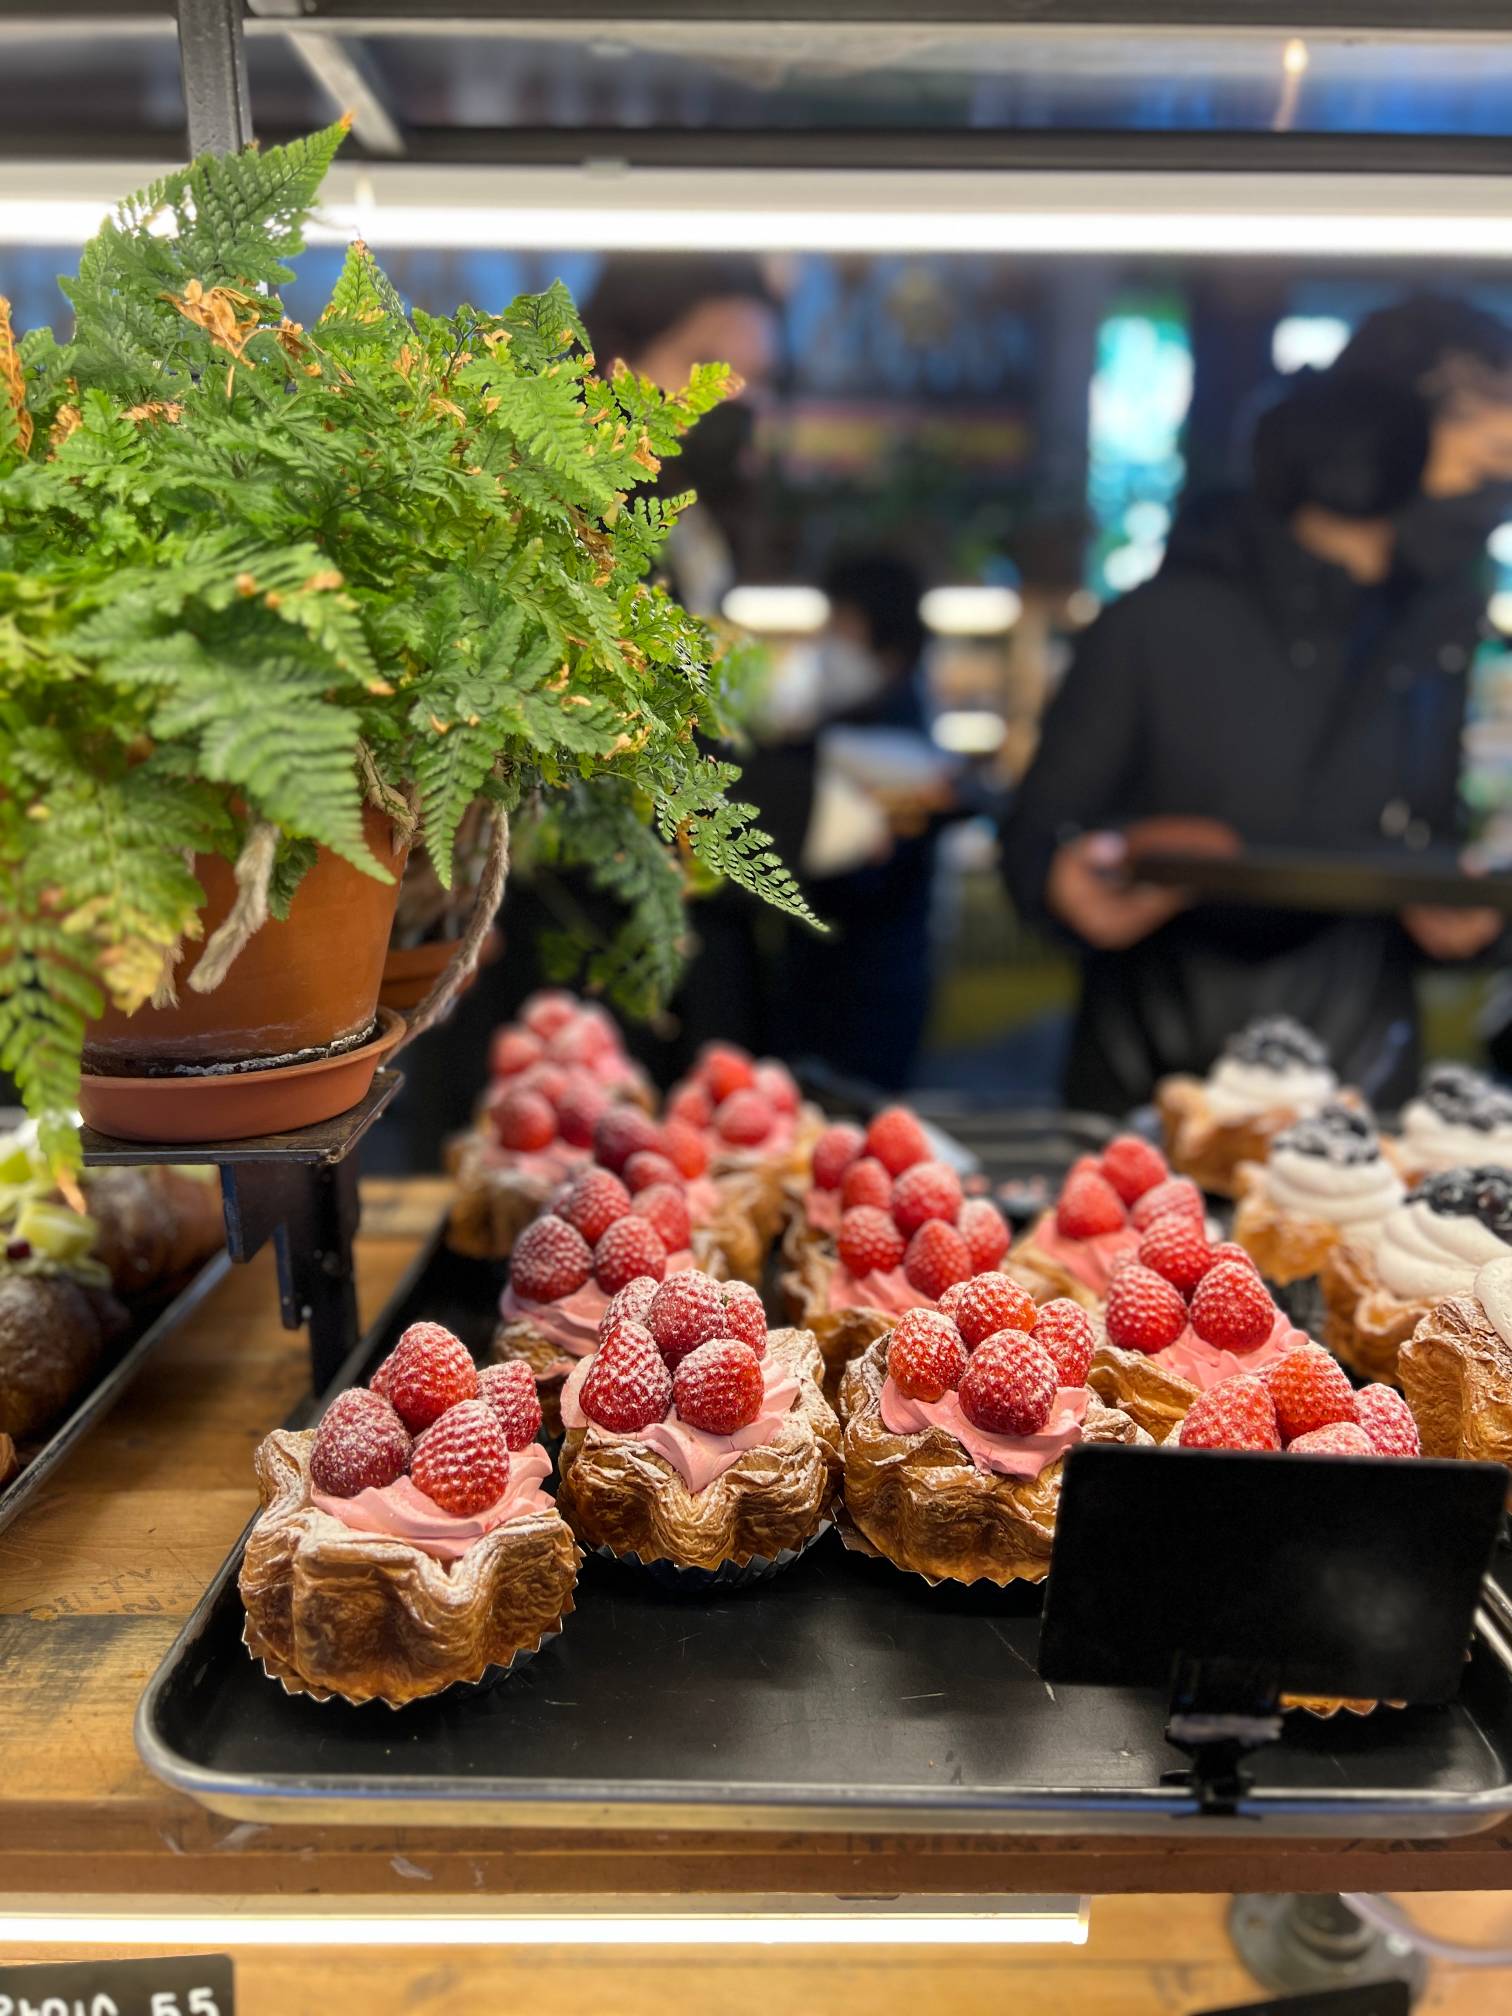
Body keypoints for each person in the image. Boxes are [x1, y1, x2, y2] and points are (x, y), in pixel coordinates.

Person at [1002, 348, 1504, 1117]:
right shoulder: (1158, 621)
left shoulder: (1431, 633)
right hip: (1154, 1060)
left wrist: (1465, 913)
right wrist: (1072, 878)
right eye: (1478, 463)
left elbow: (1430, 834)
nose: (1487, 490)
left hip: (1360, 1079)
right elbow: (1035, 839)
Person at [773, 553, 959, 1088]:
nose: (828, 641)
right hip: (837, 976)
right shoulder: (853, 714)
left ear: (886, 633)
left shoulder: (892, 738)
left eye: (842, 624)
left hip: (868, 988)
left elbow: (873, 872)